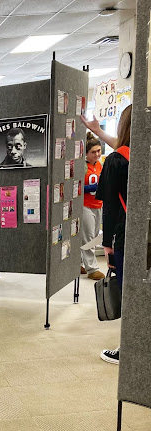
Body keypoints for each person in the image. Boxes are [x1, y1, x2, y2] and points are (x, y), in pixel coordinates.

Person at [95, 105, 132, 365]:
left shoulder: (115, 161)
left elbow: (109, 207)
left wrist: (107, 245)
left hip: (123, 234)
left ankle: (126, 349)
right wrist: (97, 131)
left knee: (127, 291)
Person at [81, 132, 105, 281]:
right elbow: (74, 187)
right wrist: (89, 188)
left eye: (99, 151)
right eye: (93, 152)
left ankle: (79, 263)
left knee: (94, 237)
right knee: (88, 238)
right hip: (85, 205)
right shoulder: (82, 167)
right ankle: (92, 268)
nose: (97, 154)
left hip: (98, 205)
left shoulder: (100, 165)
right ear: (86, 153)